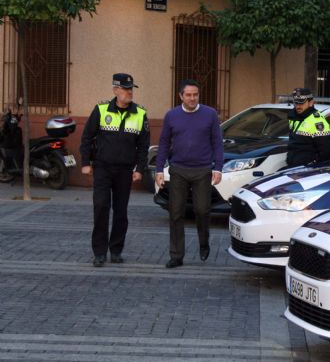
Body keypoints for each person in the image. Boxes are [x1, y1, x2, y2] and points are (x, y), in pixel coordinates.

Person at [80, 73, 150, 267]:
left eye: (131, 89)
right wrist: (85, 163)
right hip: (102, 167)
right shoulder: (101, 110)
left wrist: (140, 169)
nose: (129, 92)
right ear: (115, 90)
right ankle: (99, 253)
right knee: (101, 207)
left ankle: (116, 250)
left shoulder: (140, 114)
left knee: (121, 211)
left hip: (125, 170)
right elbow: (86, 137)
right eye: (125, 89)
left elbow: (144, 146)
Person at [155, 79, 224, 269]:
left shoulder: (210, 114)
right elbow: (163, 143)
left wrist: (218, 167)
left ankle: (204, 242)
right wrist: (159, 169)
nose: (192, 98)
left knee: (202, 210)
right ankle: (176, 255)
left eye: (195, 95)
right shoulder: (172, 116)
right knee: (175, 212)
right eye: (188, 95)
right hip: (178, 170)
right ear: (181, 96)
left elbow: (217, 143)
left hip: (202, 170)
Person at [286, 88, 330, 168]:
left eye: (301, 103)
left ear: (311, 103)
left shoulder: (317, 121)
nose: (298, 106)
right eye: (296, 103)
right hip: (293, 166)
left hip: (308, 170)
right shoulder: (293, 117)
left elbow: (325, 152)